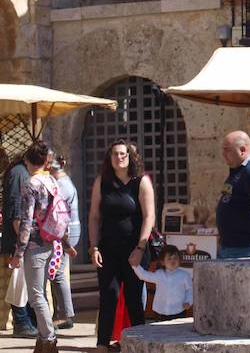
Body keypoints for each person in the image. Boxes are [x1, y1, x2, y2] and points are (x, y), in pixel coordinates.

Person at [88, 139, 155, 353]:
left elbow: (149, 215)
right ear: (110, 158)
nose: (119, 157)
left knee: (134, 297)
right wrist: (93, 247)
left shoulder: (141, 181)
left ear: (130, 156)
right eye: (115, 154)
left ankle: (138, 342)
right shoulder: (102, 182)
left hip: (134, 249)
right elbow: (94, 216)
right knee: (108, 295)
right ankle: (102, 344)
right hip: (108, 249)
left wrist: (140, 248)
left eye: (123, 154)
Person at [9, 140, 70, 353]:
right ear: (45, 161)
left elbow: (26, 221)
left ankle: (48, 339)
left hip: (35, 245)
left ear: (27, 160)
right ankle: (45, 339)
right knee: (41, 293)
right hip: (51, 242)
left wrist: (19, 252)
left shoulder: (30, 184)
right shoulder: (51, 181)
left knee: (36, 296)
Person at [2, 154, 39, 337]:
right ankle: (22, 322)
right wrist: (22, 242)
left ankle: (27, 321)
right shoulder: (20, 175)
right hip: (17, 240)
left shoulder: (18, 173)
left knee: (22, 282)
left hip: (19, 239)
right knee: (19, 282)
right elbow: (17, 213)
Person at [48, 157, 79, 330]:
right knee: (58, 273)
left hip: (65, 233)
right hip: (67, 232)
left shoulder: (61, 185)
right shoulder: (65, 182)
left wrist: (66, 243)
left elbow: (60, 215)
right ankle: (63, 312)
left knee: (58, 273)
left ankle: (65, 314)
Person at [131, 245, 192, 320]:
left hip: (179, 310)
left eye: (175, 258)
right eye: (169, 258)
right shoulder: (159, 274)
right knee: (162, 330)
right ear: (162, 262)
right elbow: (145, 276)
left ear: (180, 260)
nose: (173, 261)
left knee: (178, 330)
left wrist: (188, 301)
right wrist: (135, 266)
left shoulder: (185, 275)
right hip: (161, 311)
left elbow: (190, 290)